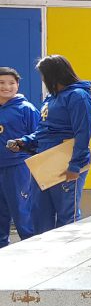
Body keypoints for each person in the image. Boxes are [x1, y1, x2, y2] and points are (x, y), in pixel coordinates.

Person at [6, 56, 91, 234]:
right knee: (39, 211)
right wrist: (25, 142)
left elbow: (83, 134)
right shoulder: (51, 98)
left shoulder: (78, 96)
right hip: (46, 159)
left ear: (54, 74)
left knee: (67, 214)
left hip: (66, 159)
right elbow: (44, 131)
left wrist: (75, 166)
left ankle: (70, 256)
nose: (43, 79)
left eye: (44, 75)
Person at [0, 67, 39, 246]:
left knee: (22, 211)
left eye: (11, 83)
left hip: (18, 168)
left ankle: (30, 248)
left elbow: (38, 137)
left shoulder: (26, 109)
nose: (6, 87)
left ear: (18, 86)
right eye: (1, 83)